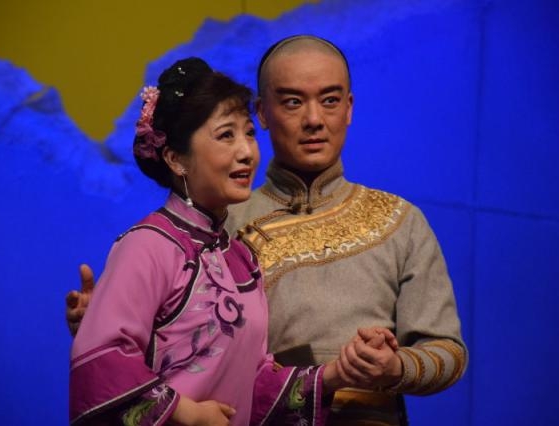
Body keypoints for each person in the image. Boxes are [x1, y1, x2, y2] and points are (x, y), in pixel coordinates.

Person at [68, 36, 468, 425]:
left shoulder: (397, 221)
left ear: (349, 107)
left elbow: (447, 350)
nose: (314, 120)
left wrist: (385, 368)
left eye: (330, 100)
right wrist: (109, 321)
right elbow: (140, 358)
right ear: (263, 112)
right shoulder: (210, 231)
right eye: (293, 102)